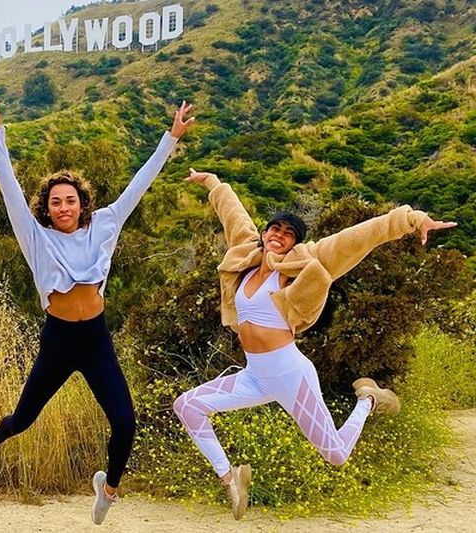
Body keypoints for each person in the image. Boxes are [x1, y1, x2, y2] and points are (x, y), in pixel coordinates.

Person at [173, 169, 457, 520]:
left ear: (295, 243)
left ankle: (368, 399)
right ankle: (230, 480)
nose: (279, 235)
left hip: (291, 375)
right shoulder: (245, 255)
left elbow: (357, 237)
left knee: (336, 455)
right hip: (255, 375)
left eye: (289, 233)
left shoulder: (304, 263)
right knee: (187, 406)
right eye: (275, 228)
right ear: (265, 232)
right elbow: (234, 214)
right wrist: (214, 183)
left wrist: (411, 220)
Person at [0, 84, 194, 525]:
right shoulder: (35, 236)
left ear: (82, 203)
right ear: (46, 207)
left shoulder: (106, 224)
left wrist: (171, 138)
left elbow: (139, 184)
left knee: (125, 421)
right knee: (24, 417)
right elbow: (8, 187)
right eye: (55, 202)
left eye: (70, 200)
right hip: (58, 340)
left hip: (95, 338)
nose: (63, 207)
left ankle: (107, 489)